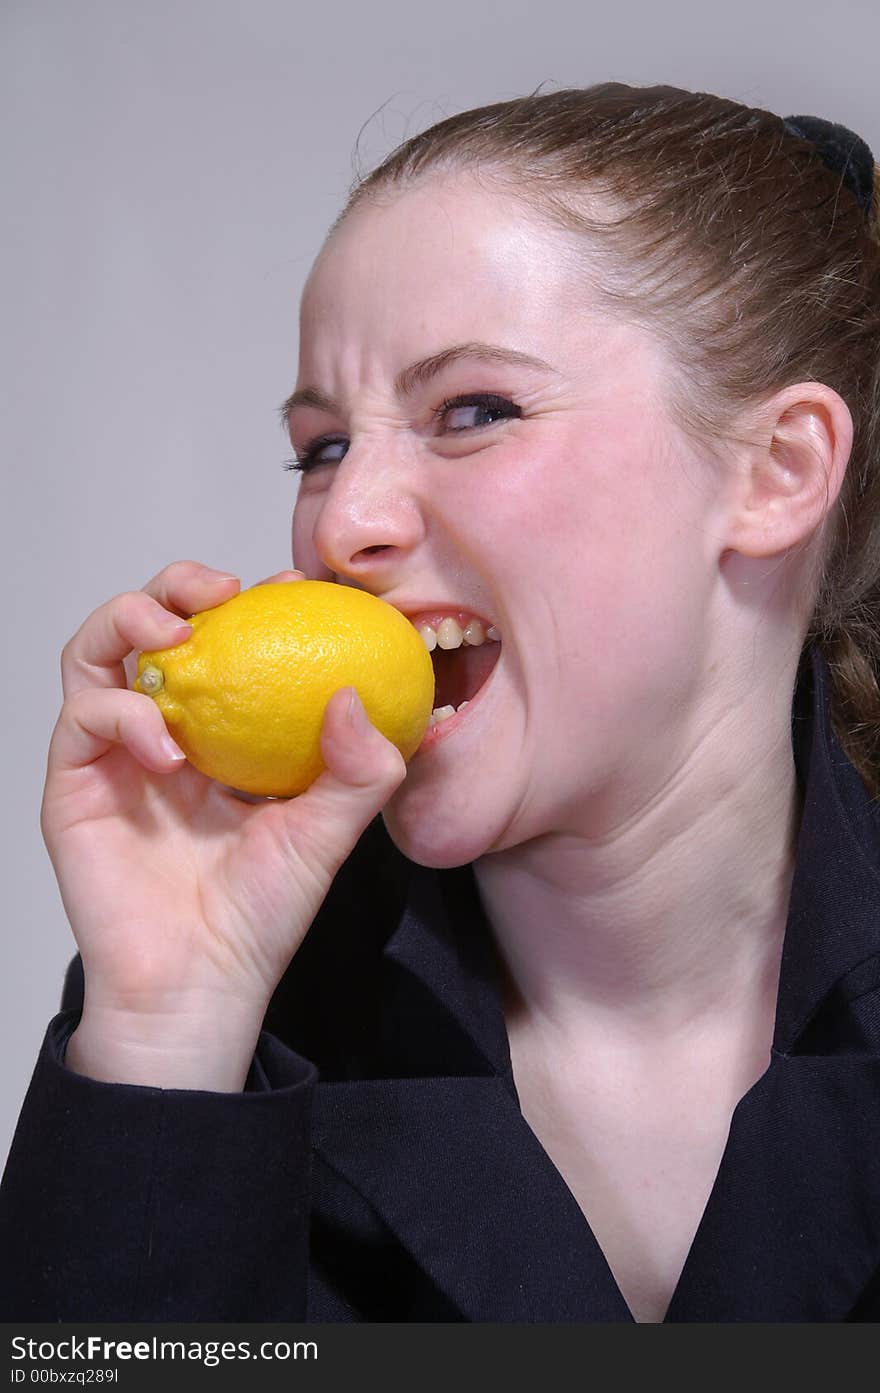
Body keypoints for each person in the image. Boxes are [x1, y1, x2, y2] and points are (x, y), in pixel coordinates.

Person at [2, 81, 880, 1324]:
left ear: (775, 470)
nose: (341, 520)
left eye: (473, 412)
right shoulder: (228, 1016)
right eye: (320, 446)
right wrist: (167, 1032)